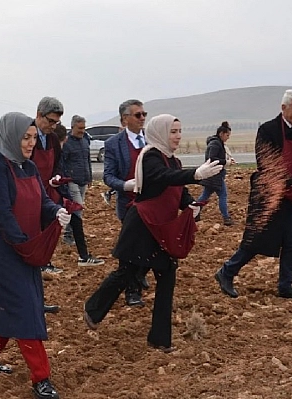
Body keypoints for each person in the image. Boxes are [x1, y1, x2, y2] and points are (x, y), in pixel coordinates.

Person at [83, 114, 221, 352]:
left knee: (166, 277)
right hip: (142, 227)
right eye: (173, 131)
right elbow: (163, 178)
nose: (178, 136)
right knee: (127, 272)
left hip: (161, 228)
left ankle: (160, 339)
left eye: (179, 131)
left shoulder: (173, 161)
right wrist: (195, 174)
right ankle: (93, 309)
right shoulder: (151, 157)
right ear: (160, 132)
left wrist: (191, 204)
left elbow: (177, 189)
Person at [0, 111, 70, 399]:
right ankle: (41, 378)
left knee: (12, 303)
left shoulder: (27, 167)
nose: (30, 143)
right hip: (3, 249)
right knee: (26, 308)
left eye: (32, 138)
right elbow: (2, 214)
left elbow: (43, 203)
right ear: (10, 137)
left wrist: (58, 212)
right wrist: (23, 243)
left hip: (26, 246)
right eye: (24, 138)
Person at [215, 89, 292, 300]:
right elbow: (265, 161)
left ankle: (286, 285)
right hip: (270, 196)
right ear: (284, 108)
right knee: (257, 240)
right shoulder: (267, 130)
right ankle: (226, 272)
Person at [102, 99, 148, 306]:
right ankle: (132, 291)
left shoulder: (151, 140)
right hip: (129, 205)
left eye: (144, 114)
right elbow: (108, 176)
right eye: (138, 115)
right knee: (131, 248)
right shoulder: (113, 144)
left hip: (151, 203)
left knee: (151, 244)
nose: (142, 118)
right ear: (124, 119)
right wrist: (124, 185)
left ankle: (139, 274)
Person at [61, 116, 104, 265]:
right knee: (77, 208)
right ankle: (71, 237)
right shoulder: (67, 143)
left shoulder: (85, 141)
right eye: (80, 128)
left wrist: (90, 176)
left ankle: (69, 234)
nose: (82, 131)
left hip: (83, 180)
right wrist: (67, 178)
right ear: (73, 127)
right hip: (72, 181)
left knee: (76, 210)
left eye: (84, 128)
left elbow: (87, 160)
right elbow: (62, 162)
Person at [30, 96, 65, 275]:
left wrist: (56, 176)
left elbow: (58, 163)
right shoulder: (27, 135)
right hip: (29, 191)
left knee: (47, 225)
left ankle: (44, 261)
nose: (53, 126)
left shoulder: (52, 140)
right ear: (38, 115)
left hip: (47, 190)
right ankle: (35, 262)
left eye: (56, 123)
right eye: (50, 121)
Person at [195, 121, 237, 226]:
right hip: (214, 175)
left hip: (212, 175)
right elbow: (212, 158)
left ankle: (194, 212)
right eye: (227, 135)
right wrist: (225, 162)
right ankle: (226, 218)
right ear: (221, 134)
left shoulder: (216, 143)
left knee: (205, 195)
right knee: (223, 195)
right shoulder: (215, 144)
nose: (228, 138)